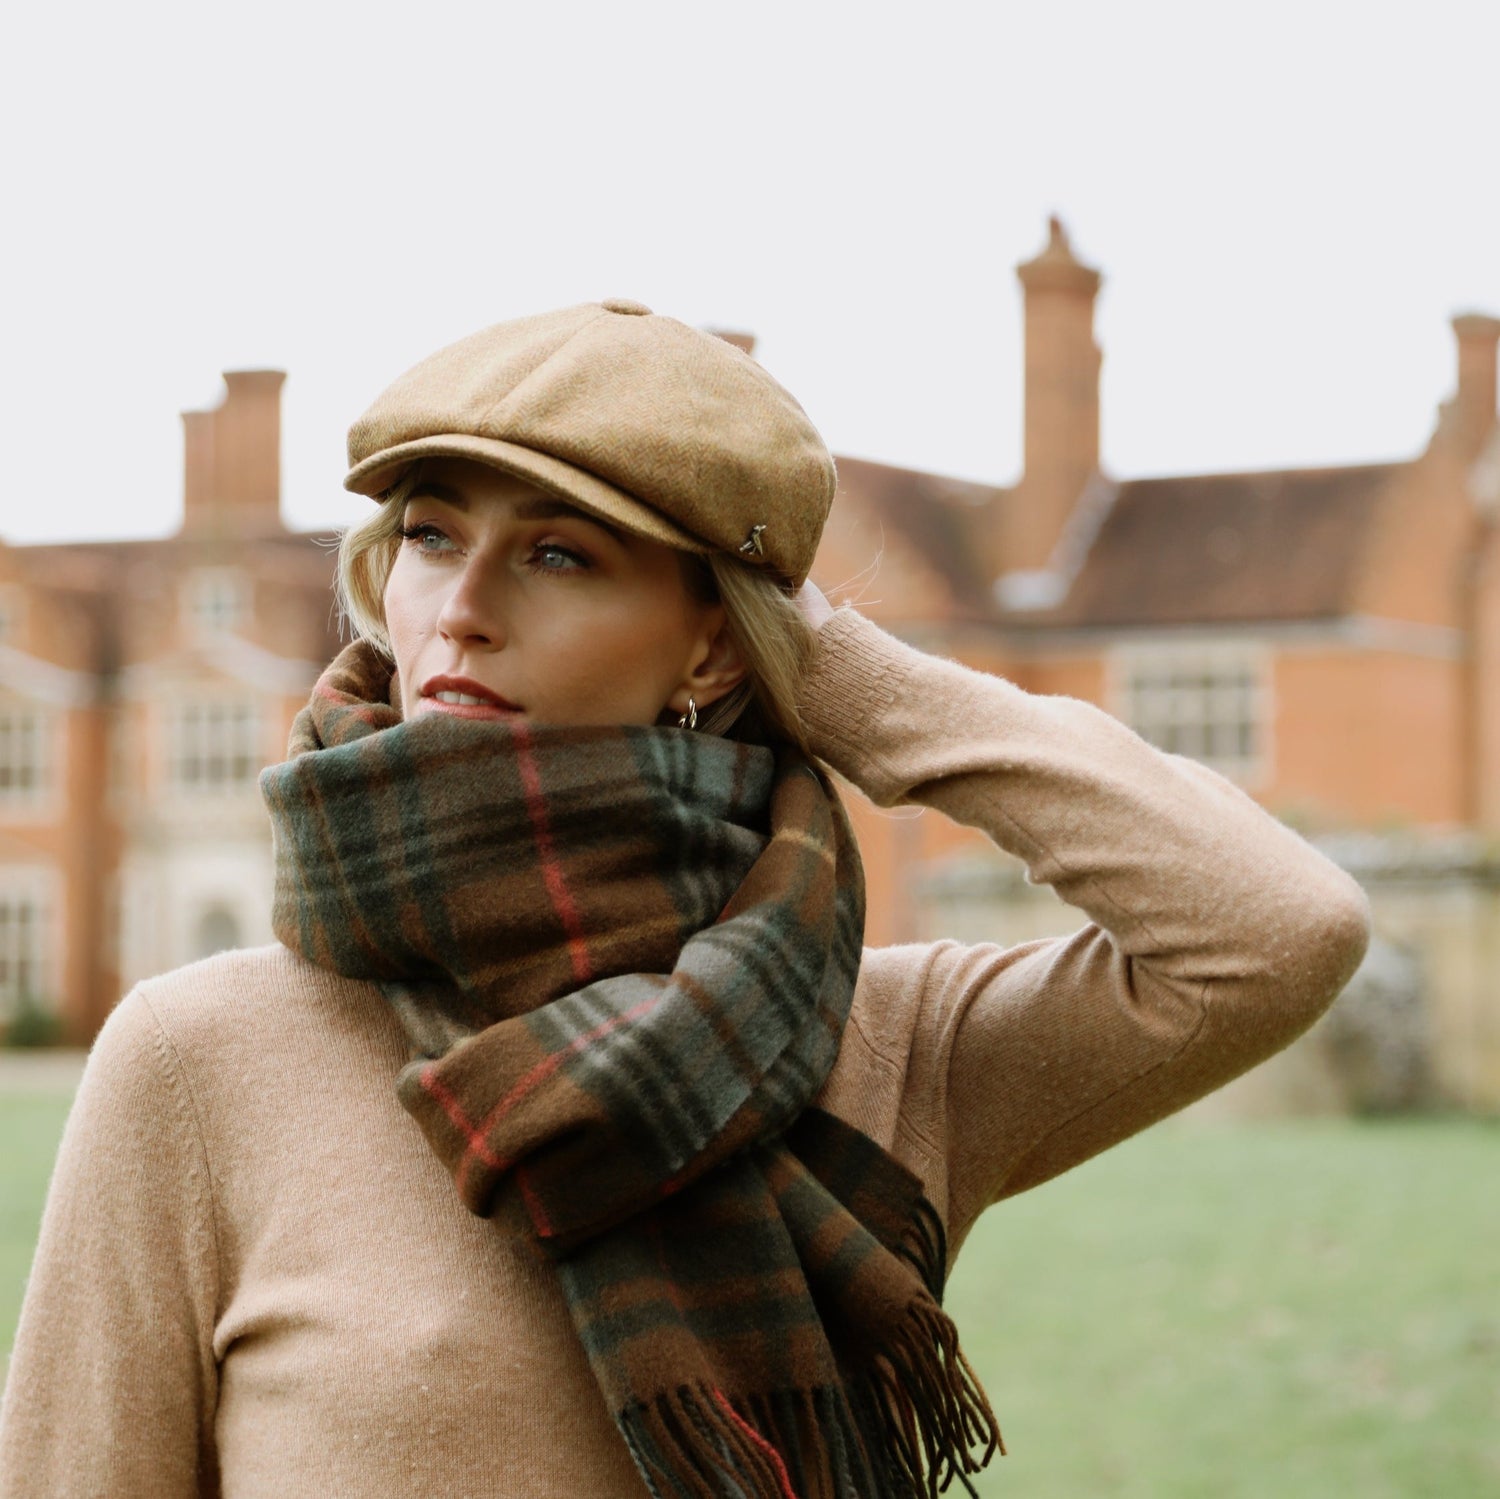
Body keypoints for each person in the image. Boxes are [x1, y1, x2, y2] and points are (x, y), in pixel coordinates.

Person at [0, 299, 1370, 1499]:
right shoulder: (197, 1060)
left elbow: (1273, 931)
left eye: (559, 554)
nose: (459, 608)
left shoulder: (879, 1044)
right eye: (428, 535)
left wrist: (827, 670)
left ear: (709, 640)